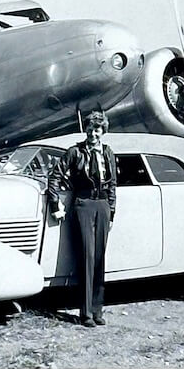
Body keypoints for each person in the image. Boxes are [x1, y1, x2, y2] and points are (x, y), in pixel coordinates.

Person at [47, 110, 117, 326]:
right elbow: (55, 176)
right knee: (87, 256)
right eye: (90, 129)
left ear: (102, 131)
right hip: (83, 204)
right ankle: (85, 313)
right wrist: (55, 203)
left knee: (100, 258)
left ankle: (97, 310)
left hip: (102, 205)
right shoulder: (75, 152)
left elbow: (112, 184)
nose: (93, 133)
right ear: (85, 129)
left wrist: (112, 212)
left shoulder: (108, 152)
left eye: (97, 130)